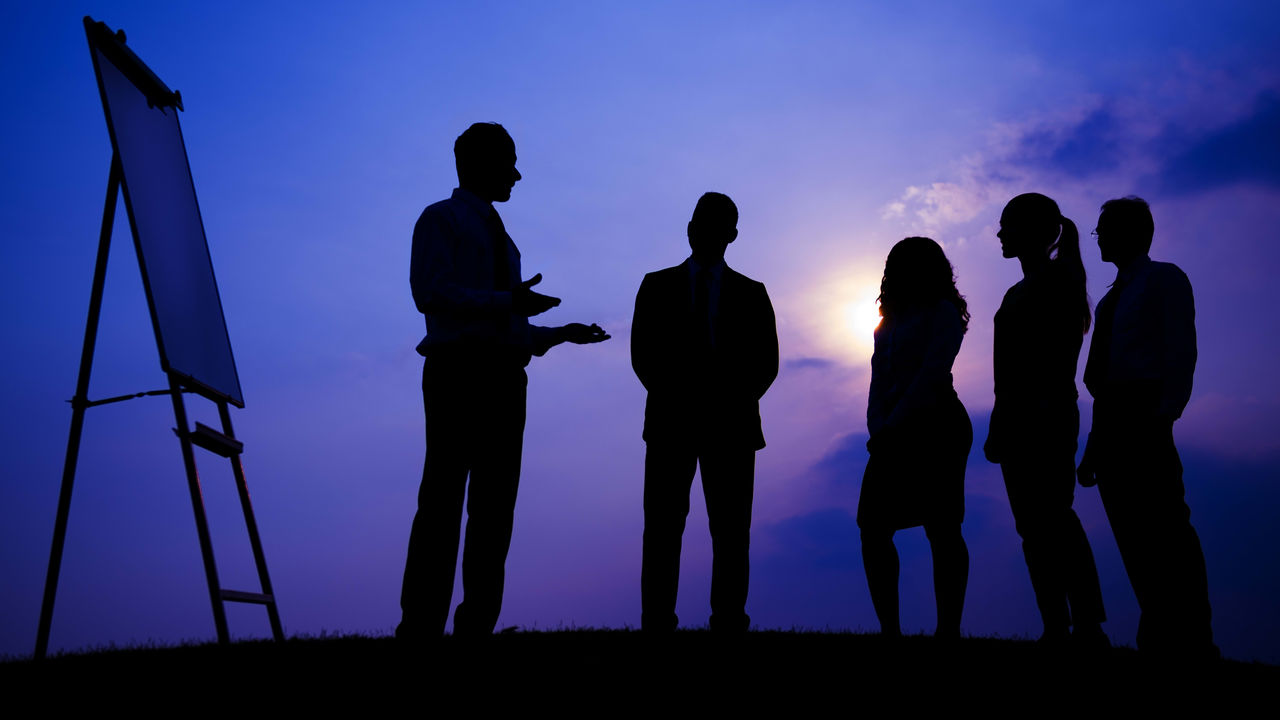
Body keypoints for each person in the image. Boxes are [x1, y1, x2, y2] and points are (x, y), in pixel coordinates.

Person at [398, 122, 609, 639]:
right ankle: (422, 627)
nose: (517, 173)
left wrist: (557, 334)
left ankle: (476, 628)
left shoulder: (501, 238)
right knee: (444, 500)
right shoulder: (440, 220)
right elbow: (432, 293)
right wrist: (509, 303)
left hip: (503, 379)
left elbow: (500, 321)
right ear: (478, 163)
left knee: (495, 506)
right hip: (457, 375)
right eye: (508, 161)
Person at [631, 192, 778, 633]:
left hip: (730, 426)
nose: (705, 232)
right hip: (671, 423)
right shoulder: (655, 285)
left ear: (731, 235)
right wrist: (681, 396)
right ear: (690, 228)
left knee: (731, 532)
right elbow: (643, 355)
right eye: (700, 223)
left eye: (717, 226)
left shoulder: (753, 294)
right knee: (662, 529)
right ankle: (657, 623)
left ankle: (729, 622)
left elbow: (766, 363)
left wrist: (728, 400)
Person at [1077, 196, 1216, 659]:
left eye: (1105, 230)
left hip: (1145, 415)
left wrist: (1164, 414)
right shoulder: (1113, 297)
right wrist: (1095, 444)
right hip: (1113, 417)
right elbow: (1102, 380)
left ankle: (1194, 637)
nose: (1099, 239)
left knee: (1168, 530)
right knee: (1131, 533)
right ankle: (1158, 633)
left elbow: (1180, 350)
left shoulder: (1163, 279)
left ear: (1134, 232)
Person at [985, 193, 1108, 647]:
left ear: (1033, 232)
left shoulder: (1055, 283)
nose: (999, 234)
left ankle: (1087, 624)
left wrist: (1020, 413)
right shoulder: (1024, 289)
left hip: (1046, 416)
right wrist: (1002, 420)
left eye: (1007, 226)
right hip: (1022, 418)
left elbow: (1045, 363)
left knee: (1053, 519)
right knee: (1033, 527)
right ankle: (1056, 623)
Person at [859, 237, 972, 639]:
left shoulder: (942, 313)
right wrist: (878, 428)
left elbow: (931, 373)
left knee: (942, 527)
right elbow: (877, 380)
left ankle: (948, 630)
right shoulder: (886, 322)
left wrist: (892, 427)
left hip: (937, 426)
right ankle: (890, 629)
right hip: (890, 434)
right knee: (872, 527)